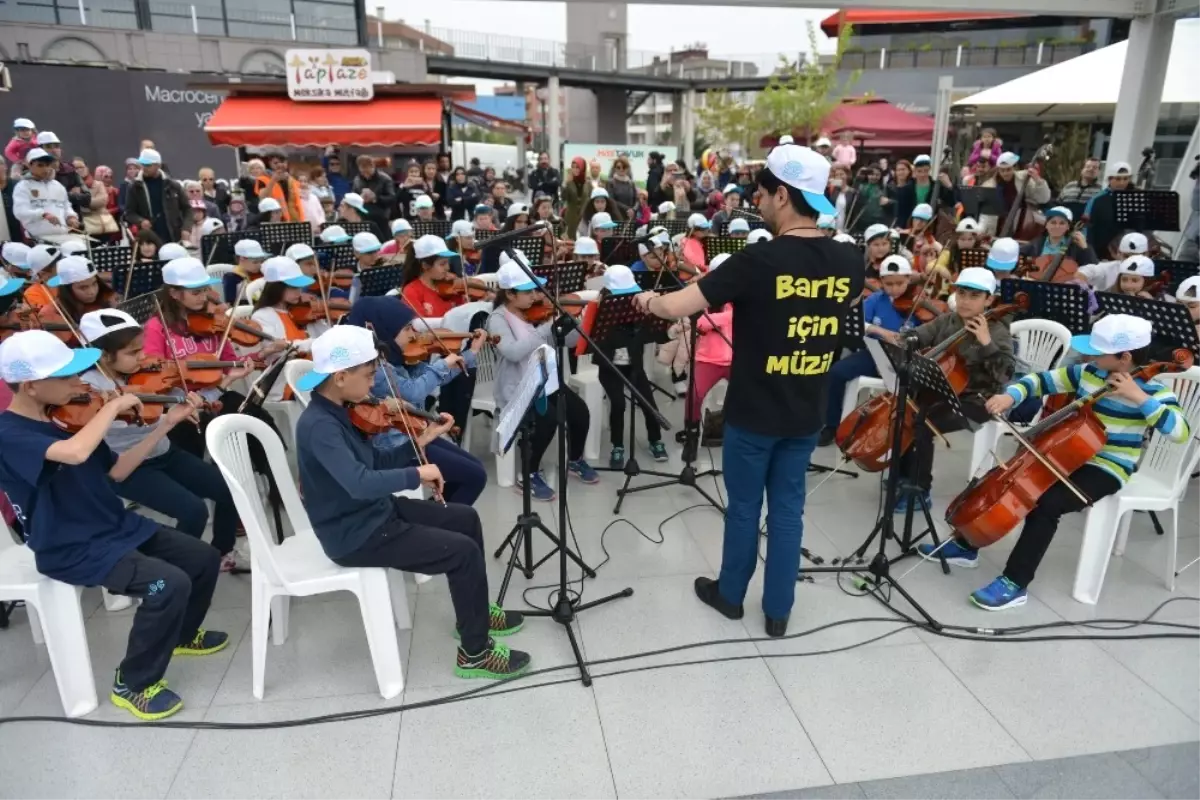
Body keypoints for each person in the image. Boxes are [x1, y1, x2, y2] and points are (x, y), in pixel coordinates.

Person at [635, 143, 862, 637]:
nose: (756, 202)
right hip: (806, 411)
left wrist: (648, 299)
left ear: (782, 194)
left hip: (754, 411)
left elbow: (677, 308)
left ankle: (731, 595)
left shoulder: (758, 260)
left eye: (760, 193)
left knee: (743, 509)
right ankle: (778, 611)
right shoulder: (850, 261)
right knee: (787, 511)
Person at [0, 329, 229, 719]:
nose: (80, 383)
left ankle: (182, 635)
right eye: (67, 377)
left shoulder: (69, 420)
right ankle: (133, 682)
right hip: (68, 545)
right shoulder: (10, 433)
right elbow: (73, 454)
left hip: (114, 526)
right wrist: (112, 406)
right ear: (30, 386)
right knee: (166, 584)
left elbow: (118, 472)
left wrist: (165, 424)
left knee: (203, 558)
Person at [294, 324, 530, 678]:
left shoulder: (341, 409)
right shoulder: (321, 427)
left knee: (465, 518)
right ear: (341, 376)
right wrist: (416, 474)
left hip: (374, 514)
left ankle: (475, 612)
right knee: (461, 552)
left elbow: (372, 463)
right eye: (369, 375)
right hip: (355, 534)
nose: (374, 384)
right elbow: (359, 484)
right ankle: (475, 653)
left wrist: (417, 443)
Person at [922, 314, 1190, 609]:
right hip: (1066, 452)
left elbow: (1180, 432)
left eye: (1098, 352)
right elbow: (1040, 380)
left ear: (1124, 357)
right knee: (1011, 478)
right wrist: (1012, 396)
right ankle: (966, 544)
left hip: (1108, 466)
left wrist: (1139, 397)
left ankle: (1016, 581)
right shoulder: (1090, 372)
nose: (1089, 355)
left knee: (1046, 503)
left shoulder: (1155, 391)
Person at [77, 308, 245, 571]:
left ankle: (220, 552)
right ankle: (175, 570)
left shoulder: (149, 374)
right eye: (133, 353)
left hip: (164, 452)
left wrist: (223, 384)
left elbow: (184, 403)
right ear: (104, 355)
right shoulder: (89, 389)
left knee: (230, 488)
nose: (143, 357)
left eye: (141, 349)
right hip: (129, 466)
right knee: (193, 510)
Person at [345, 296, 488, 504]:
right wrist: (443, 365)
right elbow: (413, 392)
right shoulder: (376, 368)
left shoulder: (399, 357)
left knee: (475, 469)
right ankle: (444, 522)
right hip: (396, 445)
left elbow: (433, 377)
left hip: (416, 431)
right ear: (384, 332)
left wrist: (470, 352)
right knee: (474, 477)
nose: (415, 334)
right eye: (407, 329)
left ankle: (439, 517)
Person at [897, 267, 1015, 511]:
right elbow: (919, 335)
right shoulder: (948, 320)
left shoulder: (997, 330)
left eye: (974, 296)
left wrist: (985, 342)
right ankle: (903, 476)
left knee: (923, 421)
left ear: (989, 300)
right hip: (942, 390)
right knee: (903, 410)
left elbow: (1004, 374)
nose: (965, 301)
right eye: (962, 294)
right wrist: (908, 337)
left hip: (977, 400)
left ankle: (921, 490)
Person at [486, 259, 600, 502]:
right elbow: (513, 352)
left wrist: (579, 325)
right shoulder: (497, 319)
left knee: (580, 413)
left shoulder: (536, 314)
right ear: (509, 294)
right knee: (548, 419)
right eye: (529, 292)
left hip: (547, 380)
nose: (536, 296)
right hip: (519, 386)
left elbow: (567, 343)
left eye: (536, 290)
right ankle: (527, 473)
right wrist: (547, 328)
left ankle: (576, 460)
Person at [819, 254, 921, 446]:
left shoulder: (919, 303)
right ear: (881, 281)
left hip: (905, 359)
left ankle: (902, 432)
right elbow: (858, 322)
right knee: (835, 372)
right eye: (889, 284)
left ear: (909, 279)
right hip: (875, 354)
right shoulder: (876, 299)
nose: (894, 289)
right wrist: (880, 331)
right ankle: (832, 425)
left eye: (900, 283)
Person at [576, 264, 668, 469]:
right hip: (609, 367)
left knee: (648, 403)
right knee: (618, 404)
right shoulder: (601, 311)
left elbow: (653, 332)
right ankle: (617, 445)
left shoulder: (638, 308)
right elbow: (597, 339)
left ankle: (655, 439)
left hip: (634, 365)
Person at [12, 147, 81, 243]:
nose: (45, 169)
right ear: (29, 165)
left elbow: (66, 206)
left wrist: (71, 217)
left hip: (62, 237)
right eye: (40, 165)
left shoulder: (58, 186)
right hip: (37, 239)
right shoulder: (22, 186)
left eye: (47, 165)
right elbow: (20, 212)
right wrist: (43, 214)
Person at [123, 149, 190, 244]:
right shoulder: (134, 186)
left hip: (173, 235)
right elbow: (129, 213)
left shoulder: (172, 185)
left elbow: (187, 208)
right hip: (149, 239)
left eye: (148, 165)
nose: (144, 168)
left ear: (158, 165)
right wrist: (141, 221)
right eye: (142, 164)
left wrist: (186, 228)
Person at [1019, 206, 1097, 273]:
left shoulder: (1075, 247)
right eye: (1053, 222)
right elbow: (1018, 258)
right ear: (1046, 225)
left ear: (1068, 227)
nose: (1057, 226)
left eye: (1062, 223)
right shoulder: (1036, 244)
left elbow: (1093, 270)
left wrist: (1085, 248)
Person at [48, 254, 116, 322]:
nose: (92, 292)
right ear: (67, 290)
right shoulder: (52, 313)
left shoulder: (107, 298)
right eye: (83, 288)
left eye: (94, 284)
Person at [223, 237, 269, 303]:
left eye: (261, 261)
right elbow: (231, 304)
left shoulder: (263, 273)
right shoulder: (231, 278)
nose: (260, 265)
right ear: (242, 259)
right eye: (255, 262)